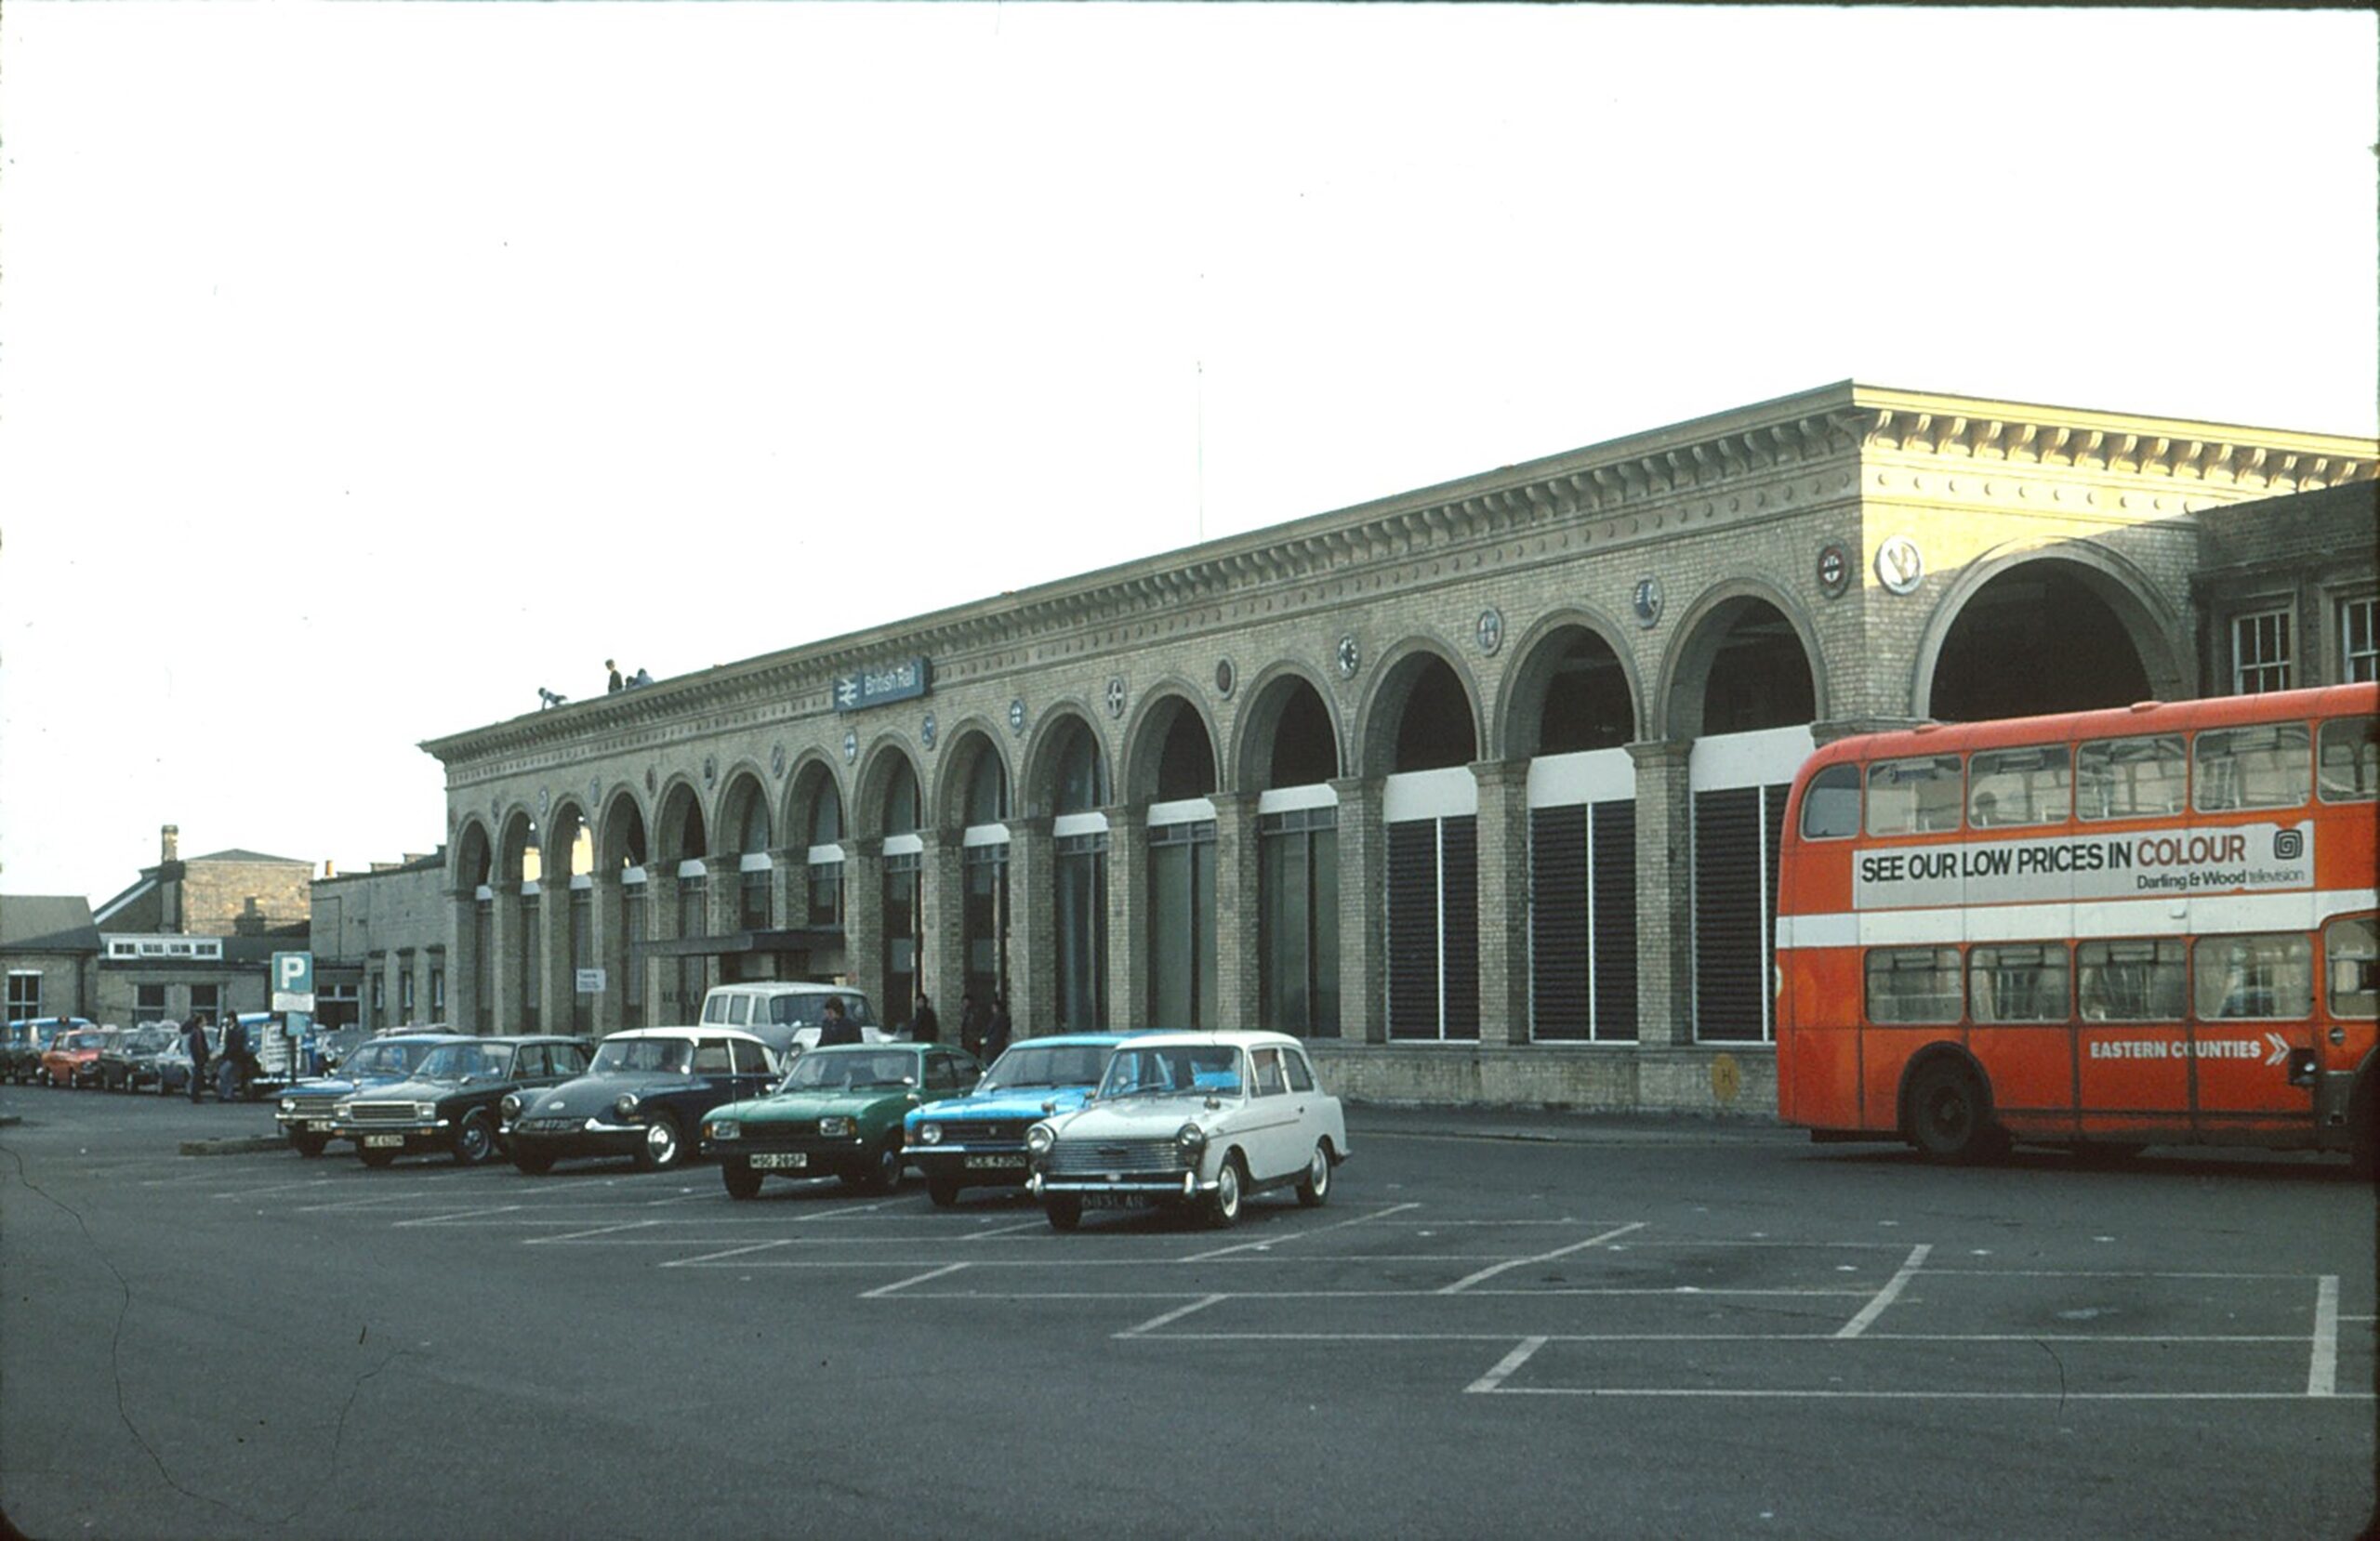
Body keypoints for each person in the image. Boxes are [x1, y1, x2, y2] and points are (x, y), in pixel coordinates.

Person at [218, 1013, 252, 1102]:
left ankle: (226, 1095)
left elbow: (236, 1044)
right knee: (227, 1076)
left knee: (225, 1074)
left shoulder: (239, 1029)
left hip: (235, 1057)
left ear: (232, 1019)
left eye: (228, 1019)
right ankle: (226, 1094)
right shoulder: (229, 1028)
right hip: (230, 1056)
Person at [183, 1014, 211, 1104]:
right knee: (197, 1077)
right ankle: (196, 1096)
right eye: (204, 1020)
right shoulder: (198, 1032)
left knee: (197, 1076)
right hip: (199, 1058)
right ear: (200, 1022)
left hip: (197, 1057)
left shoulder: (195, 1031)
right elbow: (199, 1046)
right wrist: (203, 1055)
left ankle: (196, 1095)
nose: (206, 1022)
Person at [985, 992, 1012, 1059]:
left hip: (996, 1043)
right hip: (995, 1042)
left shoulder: (999, 1017)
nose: (993, 1009)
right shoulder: (996, 1017)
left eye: (994, 1008)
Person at [959, 992, 985, 1058]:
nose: (964, 1004)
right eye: (963, 1002)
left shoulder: (974, 1013)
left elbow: (976, 1026)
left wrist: (976, 1037)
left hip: (972, 1040)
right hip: (967, 1039)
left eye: (966, 1002)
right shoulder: (965, 1012)